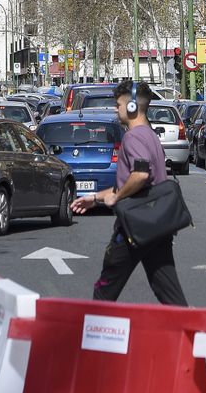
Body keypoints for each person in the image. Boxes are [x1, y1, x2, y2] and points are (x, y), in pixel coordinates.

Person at [71, 81, 188, 306]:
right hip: (156, 226)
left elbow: (140, 175)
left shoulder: (133, 137)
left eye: (118, 105)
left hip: (133, 228)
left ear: (132, 107)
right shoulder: (150, 135)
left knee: (104, 292)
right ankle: (192, 335)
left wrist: (116, 197)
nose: (116, 110)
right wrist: (95, 198)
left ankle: (96, 337)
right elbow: (133, 182)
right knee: (169, 293)